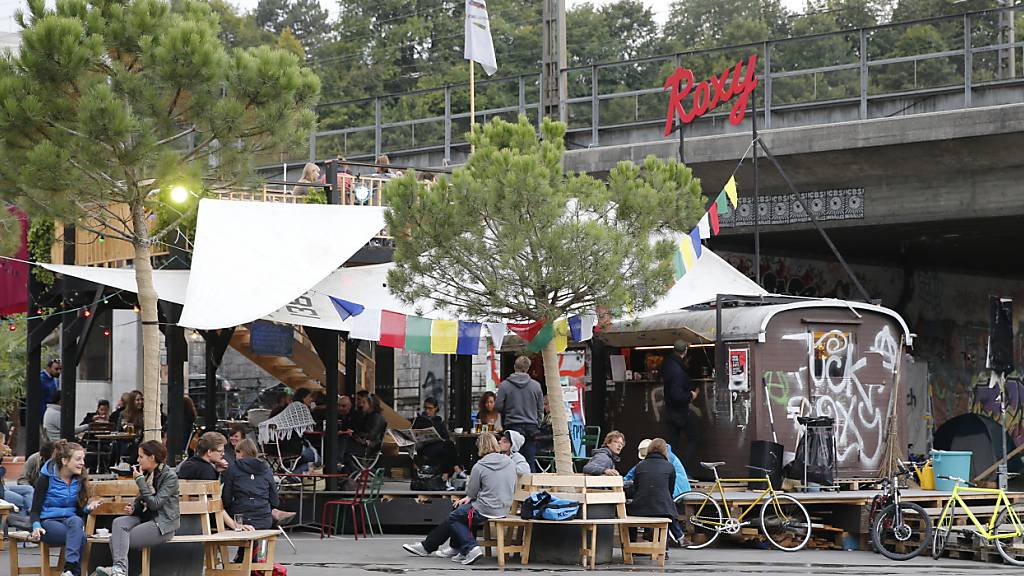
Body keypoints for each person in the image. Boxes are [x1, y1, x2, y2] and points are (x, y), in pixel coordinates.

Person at [402, 433, 515, 565]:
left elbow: (471, 492)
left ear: (480, 447)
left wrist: (470, 497)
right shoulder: (509, 462)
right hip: (504, 508)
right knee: (458, 510)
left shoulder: (480, 466)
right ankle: (454, 548)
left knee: (454, 516)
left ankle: (469, 548)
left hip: (485, 508)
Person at [94, 441, 180, 576]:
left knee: (116, 540)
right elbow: (142, 501)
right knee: (119, 522)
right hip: (144, 519)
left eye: (141, 457)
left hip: (163, 524)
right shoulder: (147, 474)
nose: (138, 460)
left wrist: (140, 481)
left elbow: (155, 504)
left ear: (152, 457)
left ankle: (119, 570)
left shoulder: (169, 476)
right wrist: (134, 508)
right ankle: (120, 570)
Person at [29, 440, 101, 576]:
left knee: (77, 522)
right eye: (78, 459)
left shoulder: (79, 480)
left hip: (70, 521)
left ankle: (69, 569)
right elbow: (34, 510)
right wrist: (36, 526)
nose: (83, 463)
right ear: (65, 461)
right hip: (48, 522)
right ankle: (72, 570)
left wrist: (87, 508)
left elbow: (78, 511)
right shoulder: (46, 478)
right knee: (79, 536)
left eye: (83, 459)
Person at [624, 438, 684, 547]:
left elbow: (636, 488)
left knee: (629, 511)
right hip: (662, 509)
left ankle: (631, 545)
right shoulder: (670, 466)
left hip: (640, 509)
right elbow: (669, 490)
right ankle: (666, 547)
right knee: (667, 507)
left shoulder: (640, 466)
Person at [496, 355, 544, 471]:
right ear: (527, 368)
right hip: (531, 427)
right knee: (529, 459)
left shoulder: (504, 386)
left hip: (512, 427)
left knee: (512, 460)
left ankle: (514, 487)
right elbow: (540, 409)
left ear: (514, 367)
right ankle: (531, 488)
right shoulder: (536, 386)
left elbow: (498, 406)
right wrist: (537, 423)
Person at [221, 439, 278, 531]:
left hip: (240, 518)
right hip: (264, 518)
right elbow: (275, 500)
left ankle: (250, 546)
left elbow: (226, 499)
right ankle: (256, 546)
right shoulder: (266, 469)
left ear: (240, 453)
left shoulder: (232, 469)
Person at [662, 340, 699, 466]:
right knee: (693, 438)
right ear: (685, 351)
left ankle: (671, 469)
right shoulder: (678, 370)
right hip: (680, 411)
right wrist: (690, 395)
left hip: (669, 410)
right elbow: (677, 395)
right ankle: (682, 469)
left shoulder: (668, 364)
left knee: (673, 443)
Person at [625, 439, 691, 499]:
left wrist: (625, 480)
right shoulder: (663, 456)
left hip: (679, 490)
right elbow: (635, 470)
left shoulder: (667, 459)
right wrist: (624, 479)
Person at [412, 397, 456, 473]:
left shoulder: (438, 420)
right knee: (447, 447)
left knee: (449, 445)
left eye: (430, 408)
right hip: (425, 448)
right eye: (425, 408)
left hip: (438, 446)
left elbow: (446, 437)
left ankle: (449, 471)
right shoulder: (419, 420)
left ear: (436, 408)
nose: (427, 411)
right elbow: (413, 434)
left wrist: (441, 439)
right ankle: (455, 469)